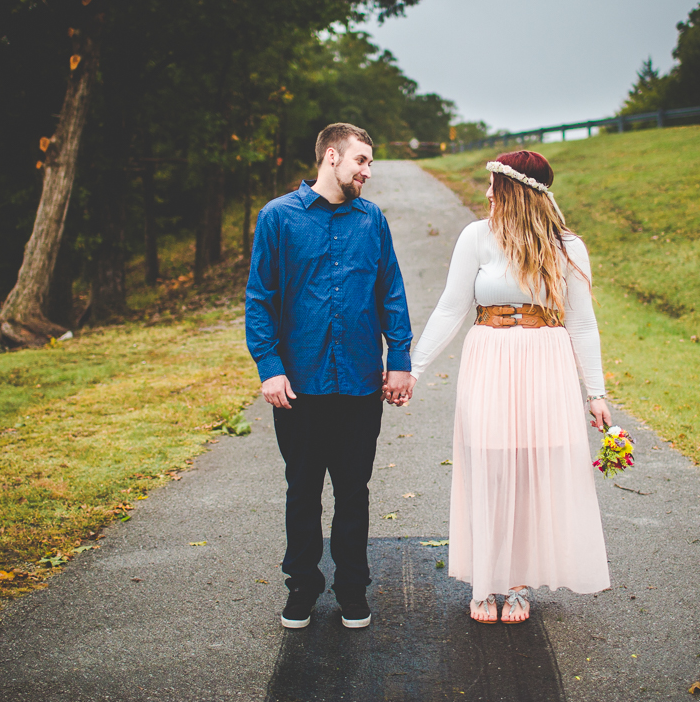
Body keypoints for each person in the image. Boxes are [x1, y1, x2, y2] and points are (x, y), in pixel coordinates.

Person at [409, 150, 612, 624]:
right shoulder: (476, 237)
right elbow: (450, 308)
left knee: (528, 471)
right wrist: (413, 369)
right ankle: (485, 580)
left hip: (546, 362)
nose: (487, 194)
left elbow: (583, 323)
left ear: (518, 192)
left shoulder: (567, 246)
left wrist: (596, 392)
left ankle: (518, 582)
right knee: (489, 465)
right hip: (489, 360)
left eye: (495, 186)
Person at [245, 122, 417, 631]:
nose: (368, 171)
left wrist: (399, 360)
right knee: (302, 490)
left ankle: (352, 589)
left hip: (360, 383)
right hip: (299, 386)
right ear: (332, 157)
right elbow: (260, 299)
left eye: (370, 163)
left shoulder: (372, 220)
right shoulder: (278, 217)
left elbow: (391, 292)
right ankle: (302, 587)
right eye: (361, 160)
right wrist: (269, 368)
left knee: (353, 491)